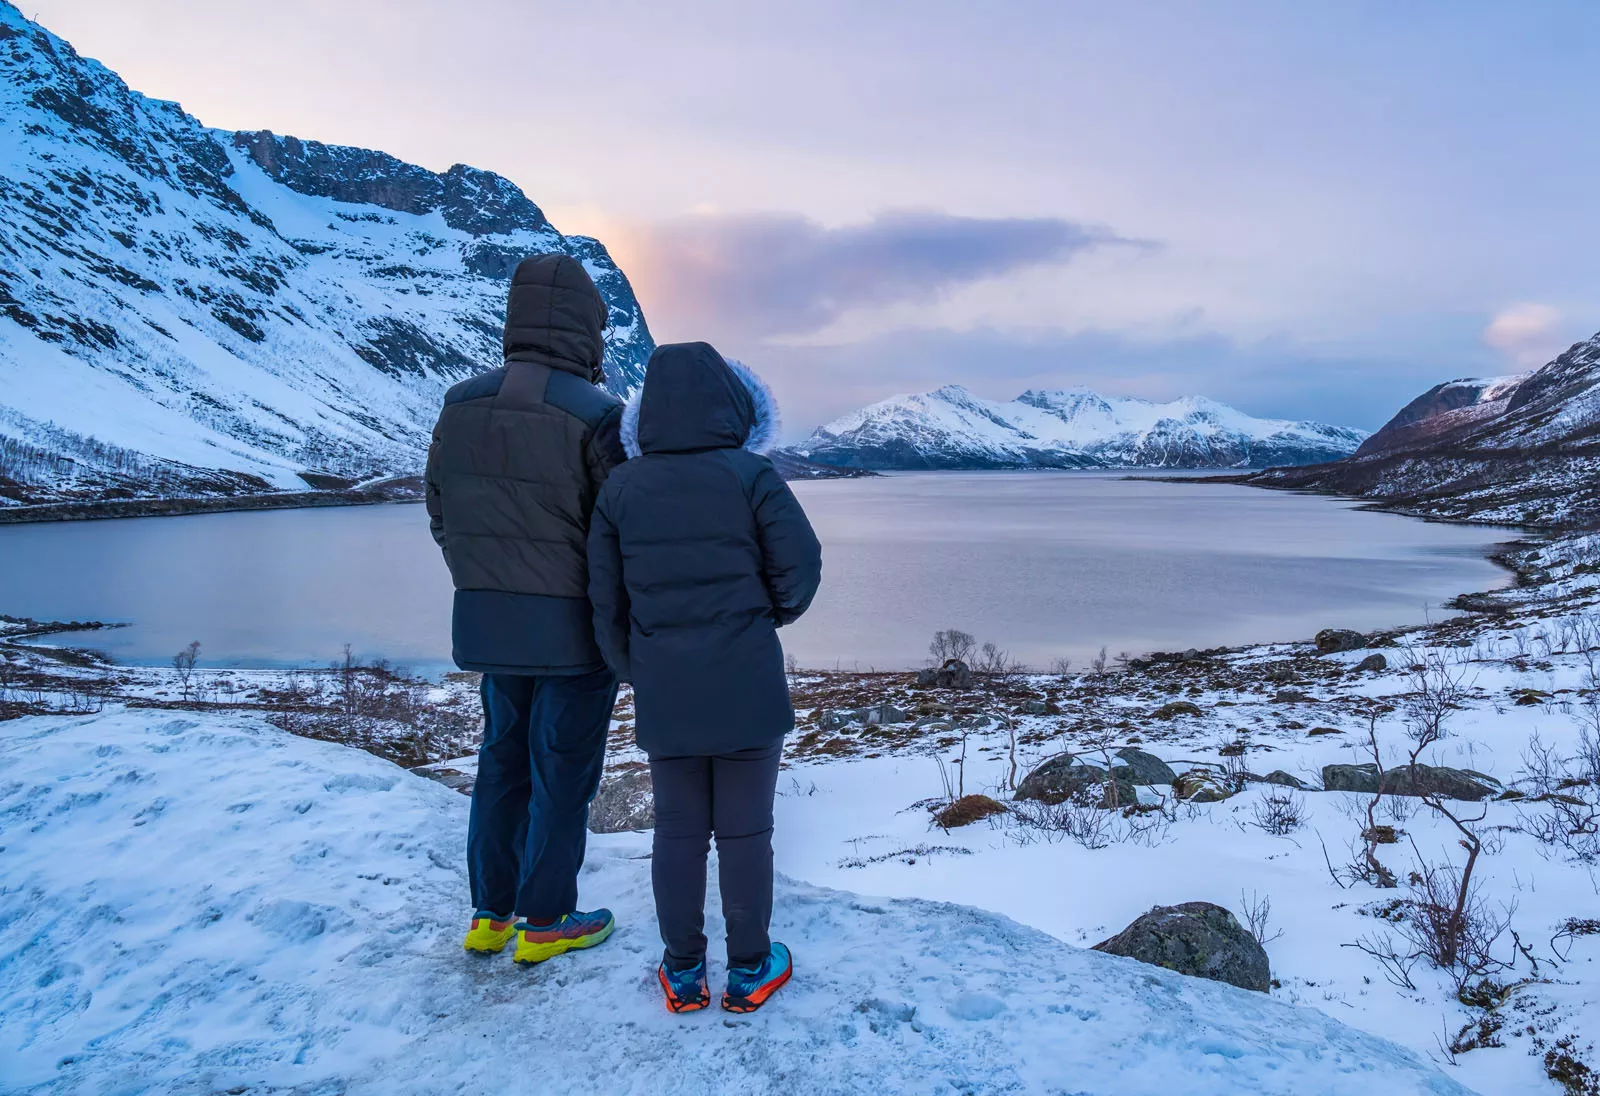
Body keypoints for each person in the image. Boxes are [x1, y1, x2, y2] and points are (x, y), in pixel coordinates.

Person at [587, 341, 822, 1014]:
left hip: (667, 687)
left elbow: (605, 601)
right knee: (747, 831)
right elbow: (800, 568)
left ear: (648, 415)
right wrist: (763, 619)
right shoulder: (752, 476)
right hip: (746, 679)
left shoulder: (620, 488)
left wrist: (639, 666)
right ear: (731, 404)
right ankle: (750, 969)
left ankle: (683, 971)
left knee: (679, 831)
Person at [425, 254, 626, 965]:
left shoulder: (460, 405)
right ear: (585, 327)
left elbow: (442, 515)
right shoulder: (598, 416)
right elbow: (618, 527)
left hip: (489, 620)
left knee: (501, 761)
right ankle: (547, 920)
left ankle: (489, 914)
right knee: (562, 768)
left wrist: (483, 583)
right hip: (573, 631)